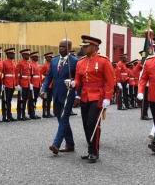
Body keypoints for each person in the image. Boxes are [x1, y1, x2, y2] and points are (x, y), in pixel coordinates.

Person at [70, 35, 114, 163]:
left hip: (98, 96)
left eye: (86, 46)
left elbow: (110, 81)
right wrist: (74, 84)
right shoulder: (80, 62)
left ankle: (94, 152)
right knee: (85, 124)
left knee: (92, 123)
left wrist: (108, 97)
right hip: (85, 95)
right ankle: (90, 150)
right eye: (82, 46)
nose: (83, 48)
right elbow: (79, 79)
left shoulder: (103, 61)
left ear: (94, 47)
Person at [40, 39, 80, 154]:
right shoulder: (54, 60)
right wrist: (44, 89)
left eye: (63, 47)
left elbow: (79, 79)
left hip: (68, 94)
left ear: (69, 48)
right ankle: (70, 144)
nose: (60, 48)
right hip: (56, 94)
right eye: (60, 46)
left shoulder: (75, 61)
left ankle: (56, 144)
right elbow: (49, 76)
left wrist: (78, 96)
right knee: (60, 118)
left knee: (63, 118)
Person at [1, 48, 17, 122]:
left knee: (9, 100)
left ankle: (9, 115)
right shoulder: (4, 62)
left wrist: (16, 83)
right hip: (6, 83)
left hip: (12, 83)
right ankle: (5, 116)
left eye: (13, 53)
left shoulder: (14, 63)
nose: (13, 55)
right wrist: (2, 83)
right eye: (12, 54)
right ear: (8, 54)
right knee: (5, 100)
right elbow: (1, 73)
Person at [16, 49, 32, 121]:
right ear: (23, 55)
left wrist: (30, 83)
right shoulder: (20, 63)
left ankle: (23, 114)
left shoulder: (28, 63)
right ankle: (19, 115)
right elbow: (17, 74)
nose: (28, 56)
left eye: (29, 54)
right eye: (27, 55)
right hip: (22, 83)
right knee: (21, 100)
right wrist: (17, 84)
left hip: (27, 83)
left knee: (25, 99)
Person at [27, 51, 41, 119]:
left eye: (37, 56)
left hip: (37, 83)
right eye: (36, 56)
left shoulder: (37, 65)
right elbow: (30, 75)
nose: (37, 57)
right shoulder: (31, 65)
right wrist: (30, 83)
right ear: (32, 57)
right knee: (31, 99)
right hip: (33, 83)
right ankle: (31, 113)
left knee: (35, 99)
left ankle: (33, 112)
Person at [40, 52, 53, 118]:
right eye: (49, 57)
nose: (51, 58)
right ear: (46, 58)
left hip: (52, 84)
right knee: (45, 99)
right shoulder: (45, 65)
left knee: (49, 99)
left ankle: (48, 112)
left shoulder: (52, 65)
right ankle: (44, 113)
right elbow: (41, 74)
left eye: (51, 57)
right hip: (47, 84)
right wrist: (42, 82)